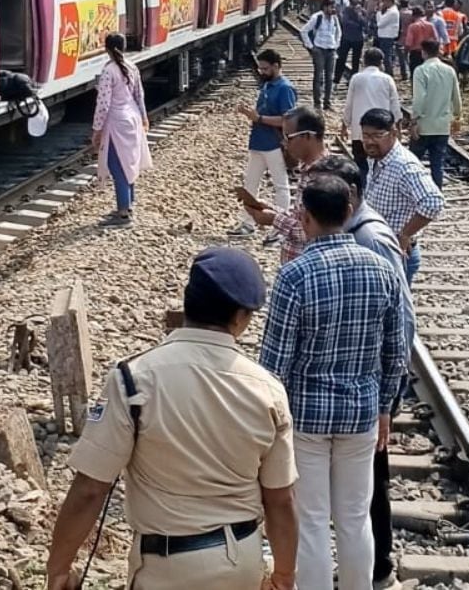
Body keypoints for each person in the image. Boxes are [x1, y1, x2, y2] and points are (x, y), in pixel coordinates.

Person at [46, 248, 299, 590]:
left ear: (187, 303)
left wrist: (59, 567)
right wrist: (283, 575)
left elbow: (91, 489)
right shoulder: (268, 391)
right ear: (242, 317)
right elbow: (280, 500)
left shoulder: (133, 380)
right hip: (241, 560)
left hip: (164, 566)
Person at [259, 175, 411, 590]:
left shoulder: (295, 276)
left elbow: (273, 363)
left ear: (305, 218)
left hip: (306, 416)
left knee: (309, 520)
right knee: (355, 517)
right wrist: (384, 407)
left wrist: (270, 423)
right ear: (348, 213)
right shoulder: (383, 270)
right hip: (361, 413)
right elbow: (396, 351)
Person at [360, 107, 445, 285]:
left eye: (376, 136)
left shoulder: (404, 165)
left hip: (397, 255)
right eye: (366, 136)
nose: (369, 141)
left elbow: (433, 202)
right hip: (381, 251)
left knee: (399, 311)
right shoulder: (377, 158)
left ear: (394, 133)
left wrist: (405, 235)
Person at [238, 105, 327, 263]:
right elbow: (300, 218)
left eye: (288, 137)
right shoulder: (309, 170)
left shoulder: (322, 177)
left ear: (308, 136)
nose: (284, 143)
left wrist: (274, 220)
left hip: (309, 267)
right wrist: (272, 209)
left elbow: (312, 231)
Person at [89, 34, 153, 224]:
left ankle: (123, 212)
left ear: (106, 49)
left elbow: (103, 104)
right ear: (124, 47)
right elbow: (139, 94)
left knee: (117, 166)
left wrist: (96, 130)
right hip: (132, 118)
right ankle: (129, 204)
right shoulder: (132, 67)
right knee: (129, 163)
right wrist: (144, 117)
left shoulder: (109, 71)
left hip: (116, 123)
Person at [233, 49, 295, 237]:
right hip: (258, 141)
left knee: (281, 185)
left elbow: (287, 119)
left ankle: (280, 227)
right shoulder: (268, 84)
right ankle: (247, 222)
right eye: (260, 68)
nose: (261, 72)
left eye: (265, 68)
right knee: (250, 183)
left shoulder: (285, 88)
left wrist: (258, 118)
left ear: (276, 66)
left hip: (274, 143)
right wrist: (250, 115)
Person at [409, 39, 461, 190]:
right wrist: (457, 116)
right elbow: (456, 97)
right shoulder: (449, 70)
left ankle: (413, 191)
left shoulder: (420, 70)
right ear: (438, 51)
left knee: (413, 162)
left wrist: (414, 120)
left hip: (424, 125)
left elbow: (419, 98)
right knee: (437, 164)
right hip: (442, 125)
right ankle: (437, 194)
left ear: (423, 52)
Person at [343, 48, 402, 178]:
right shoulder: (387, 79)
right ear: (381, 63)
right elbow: (395, 105)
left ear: (364, 61)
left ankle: (363, 191)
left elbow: (349, 104)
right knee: (381, 163)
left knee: (360, 163)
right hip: (382, 131)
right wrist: (398, 127)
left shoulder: (356, 78)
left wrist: (345, 125)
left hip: (360, 131)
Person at [302, 0, 342, 109]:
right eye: (331, 7)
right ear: (325, 7)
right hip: (319, 49)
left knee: (330, 77)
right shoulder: (317, 17)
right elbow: (304, 31)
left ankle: (327, 102)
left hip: (331, 50)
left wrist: (336, 44)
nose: (333, 9)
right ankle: (317, 102)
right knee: (318, 76)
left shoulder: (334, 18)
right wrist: (311, 46)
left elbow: (339, 32)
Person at [335, 0, 367, 85]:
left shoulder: (362, 11)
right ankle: (337, 78)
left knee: (356, 60)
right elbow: (345, 22)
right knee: (341, 58)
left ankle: (353, 80)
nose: (358, 0)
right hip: (347, 37)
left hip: (358, 39)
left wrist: (359, 15)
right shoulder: (347, 10)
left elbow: (365, 23)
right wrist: (357, 24)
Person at [402, 6, 435, 78]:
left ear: (413, 15)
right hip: (428, 52)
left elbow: (408, 43)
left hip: (415, 53)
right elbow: (435, 39)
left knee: (415, 74)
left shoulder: (412, 26)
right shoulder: (430, 25)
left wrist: (405, 52)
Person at [373, 0, 401, 75]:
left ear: (389, 1)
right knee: (387, 55)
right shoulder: (391, 11)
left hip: (387, 36)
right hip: (385, 36)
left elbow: (380, 24)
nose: (383, 4)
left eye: (384, 2)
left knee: (386, 57)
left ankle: (389, 73)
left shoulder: (392, 12)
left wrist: (378, 12)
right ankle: (387, 72)